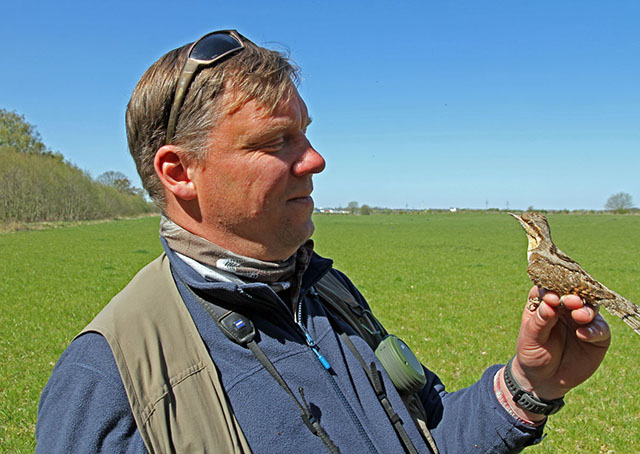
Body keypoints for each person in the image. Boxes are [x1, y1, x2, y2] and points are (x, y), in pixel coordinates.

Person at [36, 30, 610, 453]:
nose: (315, 159)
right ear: (180, 173)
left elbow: (426, 435)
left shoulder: (327, 294)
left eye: (305, 134)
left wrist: (526, 385)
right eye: (277, 141)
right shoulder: (111, 379)